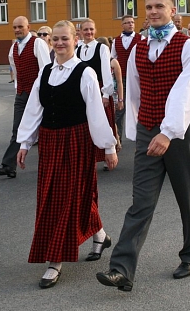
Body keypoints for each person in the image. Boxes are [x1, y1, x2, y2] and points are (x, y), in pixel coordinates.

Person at [97, 0, 190, 292]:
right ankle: (121, 269)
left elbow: (187, 92)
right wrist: (140, 129)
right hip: (148, 130)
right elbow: (135, 90)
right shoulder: (140, 47)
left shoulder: (186, 47)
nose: (153, 11)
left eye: (159, 6)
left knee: (187, 197)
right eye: (149, 7)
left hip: (178, 133)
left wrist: (167, 132)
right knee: (140, 202)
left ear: (172, 10)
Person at [17, 21, 118, 288]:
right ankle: (100, 235)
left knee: (68, 197)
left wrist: (108, 147)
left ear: (75, 40)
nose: (60, 43)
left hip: (76, 140)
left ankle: (55, 259)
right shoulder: (46, 71)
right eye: (56, 39)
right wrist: (25, 143)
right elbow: (34, 108)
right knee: (56, 196)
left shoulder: (85, 73)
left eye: (65, 39)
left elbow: (96, 113)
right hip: (50, 141)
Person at [0, 16, 51, 179]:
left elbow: (45, 68)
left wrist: (42, 91)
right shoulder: (14, 47)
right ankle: (8, 166)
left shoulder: (37, 43)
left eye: (20, 27)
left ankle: (49, 165)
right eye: (15, 27)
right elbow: (15, 69)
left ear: (28, 27)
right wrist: (18, 87)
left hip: (37, 93)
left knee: (44, 129)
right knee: (18, 129)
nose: (17, 30)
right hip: (22, 93)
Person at [76, 19, 115, 166]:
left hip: (99, 89)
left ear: (95, 30)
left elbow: (106, 73)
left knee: (104, 122)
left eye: (91, 29)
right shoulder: (77, 49)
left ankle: (107, 154)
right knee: (86, 124)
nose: (89, 32)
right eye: (86, 29)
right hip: (83, 91)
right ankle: (89, 155)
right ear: (80, 31)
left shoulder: (102, 48)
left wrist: (106, 94)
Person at [110, 15, 141, 142]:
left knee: (138, 108)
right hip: (121, 78)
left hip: (137, 78)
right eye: (127, 22)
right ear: (122, 25)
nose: (130, 24)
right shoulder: (116, 41)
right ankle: (117, 140)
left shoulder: (141, 38)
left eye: (132, 22)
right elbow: (113, 57)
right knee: (119, 110)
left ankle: (140, 140)